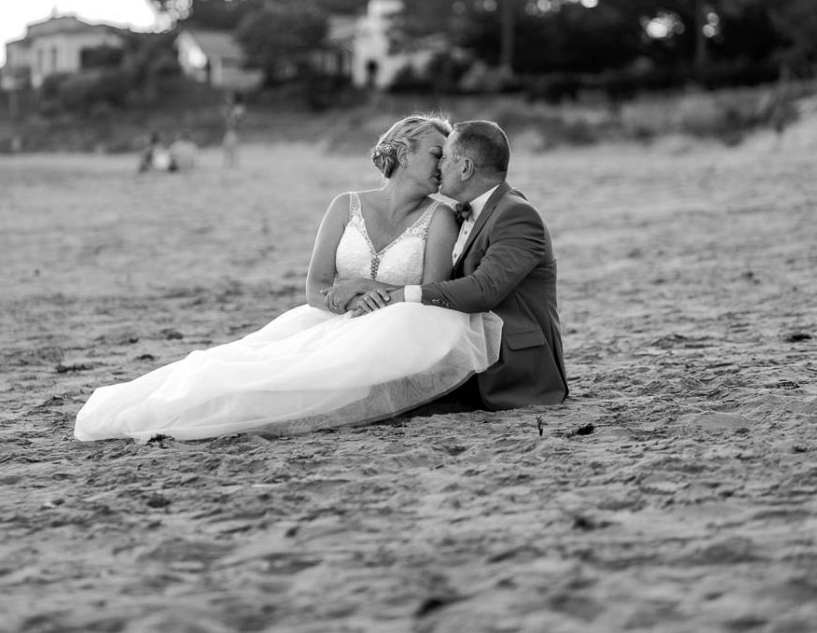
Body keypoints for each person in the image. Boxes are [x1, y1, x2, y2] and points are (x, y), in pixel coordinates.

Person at [74, 114, 503, 442]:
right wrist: (344, 298)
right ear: (404, 153)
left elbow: (429, 291)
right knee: (244, 365)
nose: (443, 163)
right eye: (436, 153)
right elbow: (315, 288)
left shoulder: (440, 217)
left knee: (310, 378)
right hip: (331, 320)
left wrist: (368, 289)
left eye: (448, 156)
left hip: (398, 322)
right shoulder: (345, 205)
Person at [355, 120, 568, 409]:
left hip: (515, 372)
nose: (438, 167)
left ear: (465, 168)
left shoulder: (517, 216)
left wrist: (396, 296)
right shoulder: (461, 214)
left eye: (443, 158)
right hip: (467, 359)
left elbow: (483, 290)